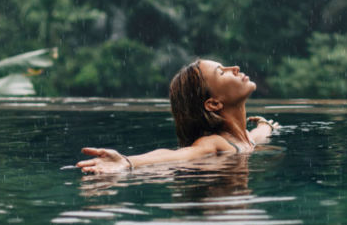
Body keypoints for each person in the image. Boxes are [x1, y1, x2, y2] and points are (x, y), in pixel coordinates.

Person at [77, 59, 279, 174]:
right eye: (222, 72)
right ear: (213, 104)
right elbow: (174, 155)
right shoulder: (215, 143)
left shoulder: (243, 140)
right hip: (219, 212)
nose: (234, 68)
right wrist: (128, 162)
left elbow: (256, 136)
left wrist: (266, 126)